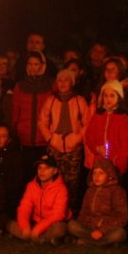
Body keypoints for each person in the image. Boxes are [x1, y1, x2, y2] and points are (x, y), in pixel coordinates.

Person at [38, 67, 90, 212]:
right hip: (55, 145)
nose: (62, 83)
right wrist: (50, 138)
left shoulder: (79, 100)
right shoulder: (51, 100)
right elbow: (42, 121)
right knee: (53, 180)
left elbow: (87, 123)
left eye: (66, 80)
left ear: (72, 82)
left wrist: (77, 138)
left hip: (73, 147)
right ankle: (51, 210)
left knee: (72, 182)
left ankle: (69, 211)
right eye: (59, 80)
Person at [8, 153, 69, 244]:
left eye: (47, 168)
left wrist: (39, 228)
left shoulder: (61, 189)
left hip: (51, 224)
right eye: (39, 168)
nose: (42, 171)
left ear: (55, 171)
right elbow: (24, 207)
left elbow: (58, 214)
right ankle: (40, 238)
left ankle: (34, 237)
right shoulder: (31, 186)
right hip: (35, 221)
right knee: (10, 223)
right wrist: (25, 227)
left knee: (60, 229)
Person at [68, 158, 128, 246]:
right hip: (90, 228)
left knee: (120, 233)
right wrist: (86, 225)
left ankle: (89, 242)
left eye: (101, 173)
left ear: (110, 176)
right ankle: (101, 242)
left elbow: (122, 217)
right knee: (72, 225)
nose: (96, 176)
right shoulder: (90, 190)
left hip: (107, 229)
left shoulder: (117, 191)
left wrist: (102, 230)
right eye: (94, 173)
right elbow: (84, 212)